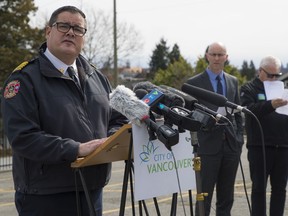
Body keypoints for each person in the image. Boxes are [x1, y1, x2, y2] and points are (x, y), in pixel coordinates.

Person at [1, 6, 127, 216]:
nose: (71, 32)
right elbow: (22, 137)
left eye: (78, 29)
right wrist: (76, 149)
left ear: (83, 37)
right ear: (48, 32)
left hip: (92, 189)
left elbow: (118, 119)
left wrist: (111, 142)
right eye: (64, 26)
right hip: (45, 196)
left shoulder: (98, 78)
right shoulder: (24, 79)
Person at [185, 42, 244, 216]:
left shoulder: (233, 81)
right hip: (207, 147)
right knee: (204, 197)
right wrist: (207, 121)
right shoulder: (194, 83)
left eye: (221, 55)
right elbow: (189, 114)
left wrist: (239, 139)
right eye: (214, 54)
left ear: (227, 57)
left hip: (231, 147)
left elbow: (238, 114)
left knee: (227, 197)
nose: (217, 58)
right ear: (207, 56)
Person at [240, 56, 288, 216]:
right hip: (259, 147)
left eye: (277, 75)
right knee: (259, 189)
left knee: (280, 190)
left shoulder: (282, 88)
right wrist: (270, 105)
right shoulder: (249, 89)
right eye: (270, 75)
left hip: (283, 146)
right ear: (260, 71)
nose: (273, 79)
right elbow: (248, 110)